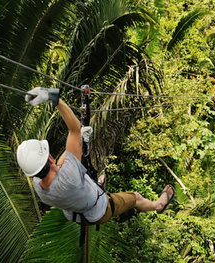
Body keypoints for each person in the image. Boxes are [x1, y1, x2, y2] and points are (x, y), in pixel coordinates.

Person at [16, 87, 175, 224]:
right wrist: (54, 97)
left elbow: (60, 165)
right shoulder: (69, 177)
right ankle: (158, 206)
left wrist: (79, 142)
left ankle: (95, 184)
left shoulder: (39, 186)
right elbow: (74, 129)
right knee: (136, 197)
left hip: (76, 213)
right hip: (100, 210)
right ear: (49, 158)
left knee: (68, 168)